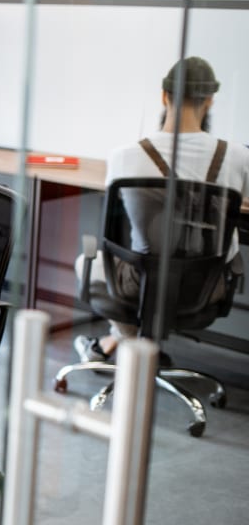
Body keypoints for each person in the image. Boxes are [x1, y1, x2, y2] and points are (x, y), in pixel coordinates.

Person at [73, 56, 249, 364]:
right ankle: (130, 349)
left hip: (140, 282)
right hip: (205, 286)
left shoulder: (123, 157)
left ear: (164, 96)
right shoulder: (236, 157)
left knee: (85, 260)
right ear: (209, 101)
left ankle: (129, 347)